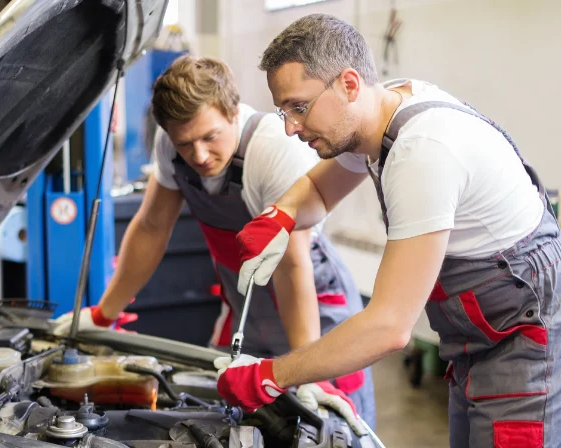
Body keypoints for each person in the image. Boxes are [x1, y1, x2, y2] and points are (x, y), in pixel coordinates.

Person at [213, 12, 561, 447]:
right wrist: (279, 216)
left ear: (349, 84)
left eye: (299, 108)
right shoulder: (382, 111)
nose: (289, 128)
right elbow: (321, 192)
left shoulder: (422, 153)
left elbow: (389, 326)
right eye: (282, 111)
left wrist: (270, 375)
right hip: (475, 342)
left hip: (522, 344)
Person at [53, 54, 376, 430]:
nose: (199, 155)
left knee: (330, 426)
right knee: (221, 416)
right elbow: (152, 227)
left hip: (314, 307)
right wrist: (104, 314)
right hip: (246, 306)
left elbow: (291, 266)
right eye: (186, 143)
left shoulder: (271, 151)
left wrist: (308, 369)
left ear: (233, 112)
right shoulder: (172, 146)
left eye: (210, 137)